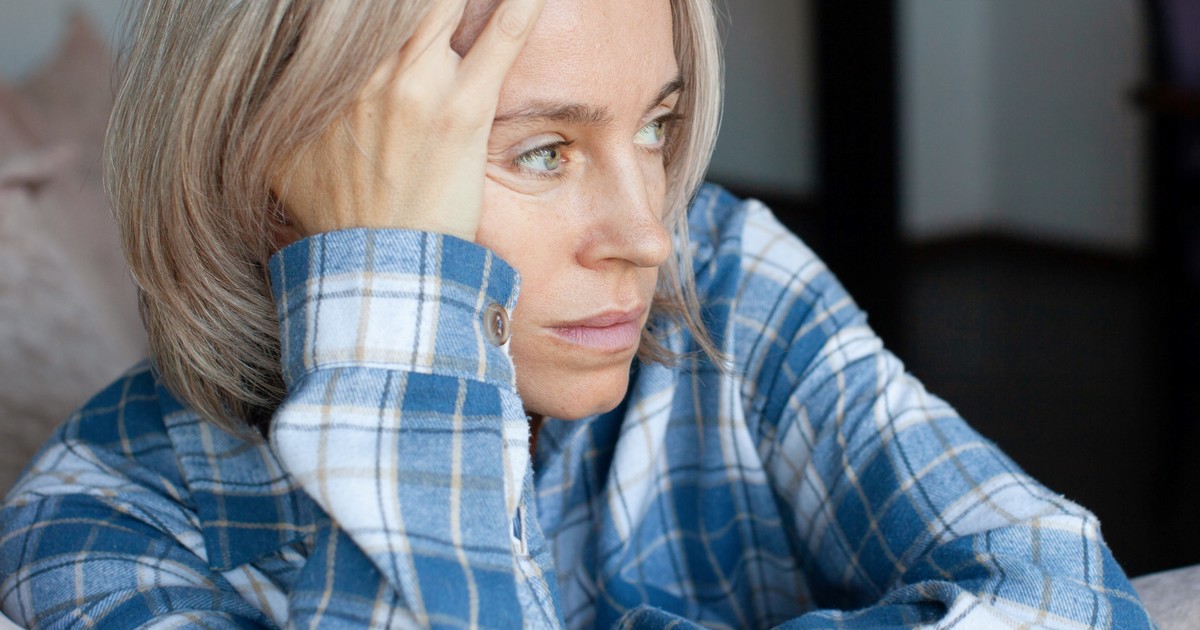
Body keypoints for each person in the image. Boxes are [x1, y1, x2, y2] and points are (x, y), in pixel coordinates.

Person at [0, 0, 1154, 627]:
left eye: (656, 127)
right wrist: (390, 301)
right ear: (278, 186)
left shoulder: (720, 278)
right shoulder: (96, 539)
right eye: (542, 152)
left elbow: (1062, 583)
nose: (647, 232)